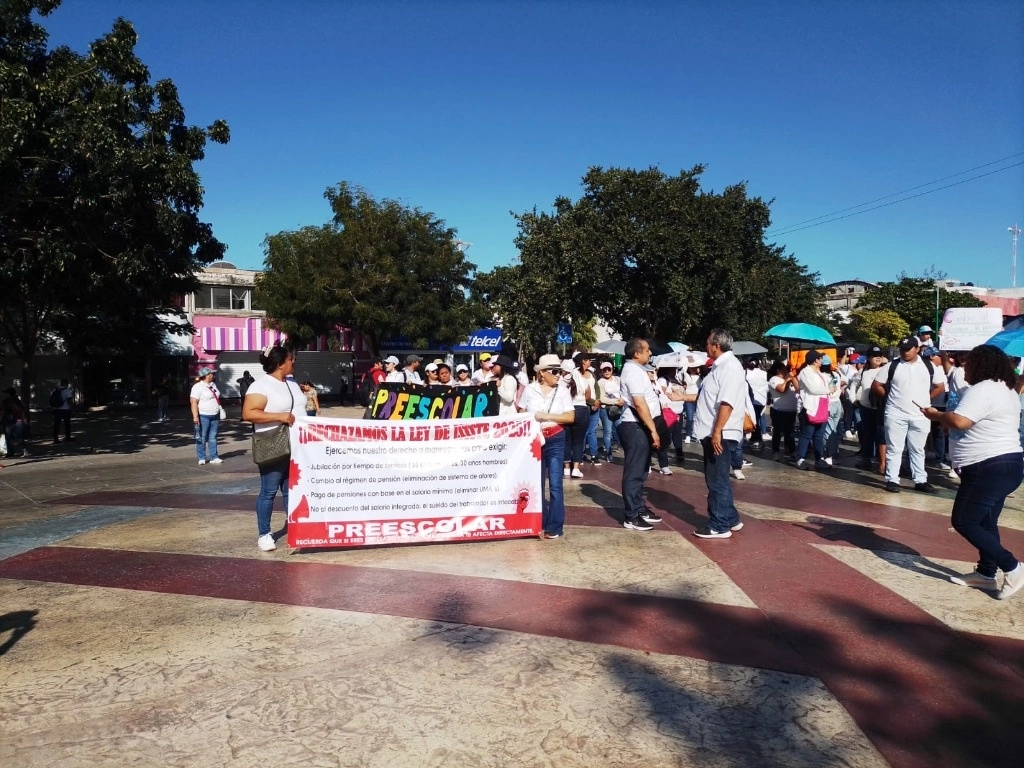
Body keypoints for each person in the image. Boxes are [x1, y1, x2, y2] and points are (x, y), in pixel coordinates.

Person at [920, 344, 1023, 600]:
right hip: (1006, 464)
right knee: (986, 522)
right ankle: (986, 573)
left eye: (969, 362)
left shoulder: (983, 388)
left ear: (981, 365)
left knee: (965, 521)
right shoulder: (1005, 388)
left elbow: (960, 421)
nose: (964, 366)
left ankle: (1013, 567)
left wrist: (936, 415)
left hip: (987, 466)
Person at [242, 344, 305, 552]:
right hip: (273, 443)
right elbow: (249, 413)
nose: (293, 362)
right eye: (290, 359)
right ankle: (264, 534)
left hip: (297, 445)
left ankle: (295, 528)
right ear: (280, 364)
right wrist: (280, 417)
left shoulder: (292, 383)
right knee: (269, 491)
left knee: (291, 490)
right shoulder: (260, 386)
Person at [691, 329, 747, 538]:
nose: (705, 346)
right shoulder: (720, 366)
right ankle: (730, 518)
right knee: (718, 478)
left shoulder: (729, 366)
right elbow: (710, 397)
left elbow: (727, 402)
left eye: (708, 343)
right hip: (713, 430)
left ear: (716, 345)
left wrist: (717, 432)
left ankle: (719, 525)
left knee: (717, 481)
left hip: (720, 432)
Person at [872, 335, 944, 493]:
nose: (905, 352)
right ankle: (892, 479)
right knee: (894, 448)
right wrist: (889, 397)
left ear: (917, 349)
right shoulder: (892, 365)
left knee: (918, 449)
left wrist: (926, 400)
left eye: (908, 349)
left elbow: (940, 386)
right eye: (902, 349)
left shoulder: (929, 366)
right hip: (895, 414)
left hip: (920, 415)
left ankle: (920, 480)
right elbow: (877, 385)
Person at [518, 354, 576, 539]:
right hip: (535, 439)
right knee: (537, 482)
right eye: (554, 371)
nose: (558, 375)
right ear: (542, 373)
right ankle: (538, 521)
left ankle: (555, 526)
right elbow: (521, 411)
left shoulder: (562, 391)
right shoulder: (529, 390)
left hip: (556, 437)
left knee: (556, 483)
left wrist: (547, 416)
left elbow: (570, 417)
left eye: (560, 371)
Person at [617, 339, 664, 531]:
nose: (650, 353)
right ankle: (632, 516)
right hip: (635, 426)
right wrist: (653, 429)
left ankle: (639, 507)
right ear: (637, 354)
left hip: (640, 426)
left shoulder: (638, 370)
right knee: (634, 472)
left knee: (642, 470)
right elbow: (639, 403)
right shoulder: (633, 372)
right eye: (647, 350)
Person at [794, 351, 830, 470]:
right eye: (820, 358)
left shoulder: (818, 372)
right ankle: (800, 459)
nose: (822, 360)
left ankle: (819, 459)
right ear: (815, 360)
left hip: (822, 407)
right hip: (809, 408)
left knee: (819, 435)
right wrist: (828, 389)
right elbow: (813, 389)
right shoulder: (805, 372)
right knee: (807, 434)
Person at [855, 347, 888, 471]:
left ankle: (882, 460)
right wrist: (854, 399)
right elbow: (854, 385)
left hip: (881, 408)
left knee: (882, 435)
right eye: (874, 355)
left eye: (880, 355)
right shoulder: (863, 371)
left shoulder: (886, 370)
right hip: (866, 407)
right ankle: (867, 458)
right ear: (868, 358)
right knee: (868, 434)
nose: (878, 358)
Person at [560, 358, 590, 478]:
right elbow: (588, 396)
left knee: (566, 441)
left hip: (566, 411)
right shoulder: (582, 379)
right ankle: (576, 469)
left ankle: (566, 468)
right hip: (581, 410)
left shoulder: (560, 381)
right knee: (578, 441)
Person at [190, 367, 223, 465]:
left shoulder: (213, 384)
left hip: (215, 414)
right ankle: (202, 457)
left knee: (213, 437)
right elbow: (193, 402)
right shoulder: (198, 387)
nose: (213, 375)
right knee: (202, 437)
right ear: (207, 376)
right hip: (203, 415)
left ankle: (214, 457)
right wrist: (195, 416)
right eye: (212, 373)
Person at [766, 360, 798, 460]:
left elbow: (798, 387)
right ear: (778, 370)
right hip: (779, 410)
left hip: (791, 410)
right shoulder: (774, 379)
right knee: (778, 432)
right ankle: (775, 451)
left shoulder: (787, 378)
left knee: (790, 433)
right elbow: (782, 389)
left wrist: (792, 378)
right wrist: (788, 380)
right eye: (784, 368)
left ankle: (791, 451)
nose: (786, 370)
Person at [596, 361, 624, 461]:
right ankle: (609, 454)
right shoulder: (600, 382)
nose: (607, 372)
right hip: (606, 409)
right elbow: (602, 398)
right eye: (604, 370)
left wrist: (622, 400)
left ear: (612, 370)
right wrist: (616, 401)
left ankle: (622, 450)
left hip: (618, 409)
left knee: (620, 430)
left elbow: (624, 391)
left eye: (609, 369)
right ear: (601, 371)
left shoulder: (618, 379)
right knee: (607, 432)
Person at [744, 359, 769, 449]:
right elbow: (767, 387)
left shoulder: (746, 373)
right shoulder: (764, 373)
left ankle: (757, 439)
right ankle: (755, 439)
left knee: (754, 421)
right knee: (756, 419)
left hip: (751, 400)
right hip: (762, 400)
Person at [1, 387, 29, 457]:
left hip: (9, 421)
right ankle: (25, 451)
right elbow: (23, 410)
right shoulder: (18, 400)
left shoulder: (6, 401)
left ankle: (10, 452)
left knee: (8, 438)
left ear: (8, 394)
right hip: (19, 421)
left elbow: (2, 412)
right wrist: (24, 419)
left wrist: (0, 419)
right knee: (20, 437)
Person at [51, 378, 74, 444]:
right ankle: (67, 438)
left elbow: (52, 399)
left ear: (61, 383)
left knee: (56, 424)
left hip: (56, 409)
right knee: (67, 424)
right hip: (65, 410)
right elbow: (69, 401)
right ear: (66, 384)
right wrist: (72, 408)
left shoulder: (55, 390)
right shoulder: (67, 391)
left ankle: (55, 439)